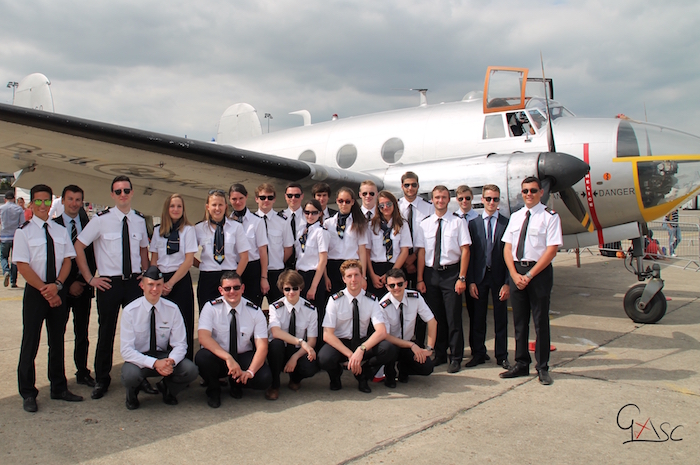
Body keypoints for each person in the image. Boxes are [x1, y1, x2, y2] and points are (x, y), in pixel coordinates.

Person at [75, 175, 150, 400]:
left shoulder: (139, 219)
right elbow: (78, 246)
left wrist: (146, 276)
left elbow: (144, 250)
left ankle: (140, 377)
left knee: (139, 333)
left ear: (132, 192)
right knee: (106, 331)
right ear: (112, 195)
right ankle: (102, 379)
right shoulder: (100, 219)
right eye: (118, 191)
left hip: (134, 283)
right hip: (109, 283)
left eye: (126, 190)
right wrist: (90, 278)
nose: (123, 194)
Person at [14, 184, 82, 412]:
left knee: (57, 341)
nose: (43, 206)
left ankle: (59, 387)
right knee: (30, 343)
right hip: (36, 292)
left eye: (46, 202)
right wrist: (46, 289)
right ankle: (28, 392)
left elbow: (67, 261)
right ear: (32, 204)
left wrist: (58, 286)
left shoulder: (59, 231)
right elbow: (22, 266)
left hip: (57, 288)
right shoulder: (23, 232)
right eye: (39, 202)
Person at [501, 176, 562, 385]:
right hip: (517, 271)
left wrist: (528, 275)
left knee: (540, 322)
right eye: (525, 191)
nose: (529, 194)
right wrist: (514, 274)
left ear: (541, 192)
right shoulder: (516, 216)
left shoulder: (550, 216)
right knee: (519, 322)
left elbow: (551, 250)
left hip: (538, 273)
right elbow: (507, 247)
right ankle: (521, 363)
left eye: (533, 191)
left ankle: (542, 367)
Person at [120, 266, 199, 410]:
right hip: (140, 359)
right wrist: (155, 363)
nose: (155, 289)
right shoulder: (130, 311)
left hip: (164, 356)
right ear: (142, 285)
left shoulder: (173, 309)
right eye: (150, 284)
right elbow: (126, 350)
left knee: (190, 370)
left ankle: (167, 389)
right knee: (130, 375)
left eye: (158, 285)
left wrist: (171, 361)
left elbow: (181, 344)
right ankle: (132, 395)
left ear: (163, 286)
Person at [318, 260, 397, 393]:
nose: (353, 279)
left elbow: (381, 331)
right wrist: (351, 355)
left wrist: (361, 350)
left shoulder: (371, 300)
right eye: (349, 276)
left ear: (362, 277)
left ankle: (364, 376)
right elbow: (327, 334)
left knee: (388, 348)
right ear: (344, 279)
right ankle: (335, 376)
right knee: (324, 358)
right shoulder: (335, 300)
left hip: (362, 343)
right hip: (342, 344)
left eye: (356, 275)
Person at [195, 271, 272, 408]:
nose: (232, 292)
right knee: (202, 357)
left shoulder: (254, 311)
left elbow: (262, 346)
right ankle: (214, 389)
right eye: (227, 288)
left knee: (264, 378)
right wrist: (228, 358)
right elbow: (203, 337)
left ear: (242, 288)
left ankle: (238, 382)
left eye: (236, 288)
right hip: (219, 358)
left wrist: (250, 372)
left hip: (242, 355)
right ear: (221, 290)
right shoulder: (211, 308)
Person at [417, 185, 471, 374]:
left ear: (449, 200)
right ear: (432, 200)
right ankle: (440, 354)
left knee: (453, 317)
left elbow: (465, 250)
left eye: (444, 197)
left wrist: (461, 277)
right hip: (431, 274)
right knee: (436, 316)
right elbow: (422, 253)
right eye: (437, 197)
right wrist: (420, 279)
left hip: (451, 273)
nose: (440, 200)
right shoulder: (425, 224)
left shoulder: (458, 222)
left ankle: (456, 356)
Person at [52, 185, 98, 386]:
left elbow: (95, 255)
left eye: (78, 200)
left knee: (83, 333)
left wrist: (84, 280)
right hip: (61, 289)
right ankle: (58, 378)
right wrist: (68, 283)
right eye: (70, 199)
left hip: (84, 287)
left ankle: (82, 371)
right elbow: (52, 260)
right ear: (62, 201)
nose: (74, 203)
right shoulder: (53, 226)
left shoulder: (89, 225)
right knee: (57, 334)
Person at [465, 184, 511, 370]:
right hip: (479, 277)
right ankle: (478, 353)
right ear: (482, 200)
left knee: (501, 318)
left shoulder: (506, 223)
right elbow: (470, 254)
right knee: (478, 318)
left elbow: (510, 255)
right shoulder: (473, 224)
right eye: (489, 198)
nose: (492, 202)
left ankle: (502, 355)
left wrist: (508, 283)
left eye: (496, 199)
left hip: (499, 277)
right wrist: (470, 281)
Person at [150, 194, 197, 360]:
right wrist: (155, 283)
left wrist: (170, 283)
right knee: (163, 326)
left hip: (180, 279)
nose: (176, 209)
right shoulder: (158, 231)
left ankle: (184, 365)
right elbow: (154, 260)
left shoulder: (188, 230)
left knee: (183, 323)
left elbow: (188, 260)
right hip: (161, 280)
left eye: (179, 206)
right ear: (166, 209)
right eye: (172, 206)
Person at [194, 189, 250, 312]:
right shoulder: (199, 228)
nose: (217, 208)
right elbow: (188, 255)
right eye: (214, 205)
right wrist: (201, 265)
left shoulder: (236, 227)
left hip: (229, 275)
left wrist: (235, 278)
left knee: (229, 313)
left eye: (220, 205)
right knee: (207, 314)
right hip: (207, 278)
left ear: (225, 206)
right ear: (208, 207)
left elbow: (244, 257)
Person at [266, 270, 319, 400]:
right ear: (282, 290)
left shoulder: (310, 310)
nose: (291, 292)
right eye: (287, 289)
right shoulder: (275, 307)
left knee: (311, 366)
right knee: (276, 344)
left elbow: (312, 340)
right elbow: (276, 332)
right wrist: (301, 342)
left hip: (297, 352)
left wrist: (295, 356)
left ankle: (295, 379)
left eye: (295, 288)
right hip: (279, 352)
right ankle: (275, 385)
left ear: (301, 288)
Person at [378, 269, 436, 386]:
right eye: (392, 285)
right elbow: (386, 336)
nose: (396, 288)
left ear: (405, 283)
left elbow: (432, 321)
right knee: (389, 349)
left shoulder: (415, 297)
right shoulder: (383, 305)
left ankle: (404, 369)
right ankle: (389, 373)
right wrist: (412, 345)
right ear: (387, 287)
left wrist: (429, 348)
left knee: (427, 367)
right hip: (391, 346)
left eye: (400, 284)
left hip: (408, 344)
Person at [397, 171, 429, 344]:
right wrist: (405, 260)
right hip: (399, 262)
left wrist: (414, 257)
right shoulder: (395, 206)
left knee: (420, 303)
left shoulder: (428, 207)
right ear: (402, 186)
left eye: (414, 184)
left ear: (418, 185)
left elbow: (427, 236)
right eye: (407, 185)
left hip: (420, 260)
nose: (410, 188)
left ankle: (420, 340)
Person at [229, 184, 269, 306]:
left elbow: (263, 252)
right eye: (234, 199)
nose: (238, 202)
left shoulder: (256, 221)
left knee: (252, 307)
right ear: (229, 200)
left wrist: (263, 278)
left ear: (246, 197)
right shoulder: (227, 221)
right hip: (232, 267)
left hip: (252, 270)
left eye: (241, 198)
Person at [294, 199, 329, 336]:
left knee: (316, 315)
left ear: (320, 213)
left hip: (313, 276)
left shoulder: (321, 232)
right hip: (300, 276)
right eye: (307, 212)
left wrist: (313, 287)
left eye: (314, 213)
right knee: (302, 314)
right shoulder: (302, 231)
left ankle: (316, 347)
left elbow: (322, 260)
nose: (310, 216)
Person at [324, 187, 369, 295]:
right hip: (333, 266)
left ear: (353, 202)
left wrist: (363, 276)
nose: (344, 204)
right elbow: (324, 251)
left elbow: (362, 251)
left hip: (352, 265)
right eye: (341, 201)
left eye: (347, 201)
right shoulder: (328, 223)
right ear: (336, 201)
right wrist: (325, 277)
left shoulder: (359, 223)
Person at [367, 191, 411, 297]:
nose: (385, 207)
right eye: (382, 205)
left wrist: (390, 273)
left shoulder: (402, 224)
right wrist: (372, 275)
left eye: (389, 204)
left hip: (395, 268)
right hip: (375, 270)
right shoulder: (371, 225)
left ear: (394, 205)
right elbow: (366, 252)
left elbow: (404, 251)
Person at [254, 183, 294, 304]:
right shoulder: (250, 221)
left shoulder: (283, 221)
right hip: (255, 272)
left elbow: (288, 248)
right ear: (256, 199)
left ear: (274, 199)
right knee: (252, 309)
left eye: (270, 197)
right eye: (262, 197)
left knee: (279, 310)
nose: (266, 200)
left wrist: (277, 261)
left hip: (276, 272)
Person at [453, 185, 479, 360]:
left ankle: (477, 351)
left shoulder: (478, 219)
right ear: (457, 200)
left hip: (474, 272)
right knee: (453, 314)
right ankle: (453, 350)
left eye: (468, 198)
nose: (464, 202)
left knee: (475, 314)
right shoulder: (453, 219)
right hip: (456, 272)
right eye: (461, 198)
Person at [1, 190, 25, 288]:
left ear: (5, 199)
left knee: (3, 256)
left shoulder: (1, 208)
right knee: (15, 260)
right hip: (16, 236)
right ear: (14, 198)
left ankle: (6, 270)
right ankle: (13, 282)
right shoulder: (19, 209)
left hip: (3, 236)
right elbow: (22, 224)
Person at [283, 182, 305, 269]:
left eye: (297, 195)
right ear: (285, 196)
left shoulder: (309, 217)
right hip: (283, 264)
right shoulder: (279, 217)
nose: (293, 198)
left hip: (303, 264)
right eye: (290, 195)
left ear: (302, 196)